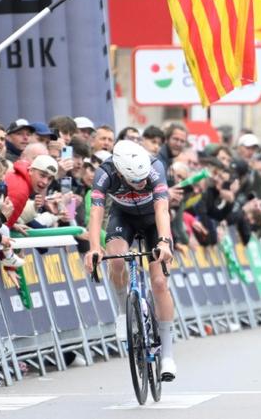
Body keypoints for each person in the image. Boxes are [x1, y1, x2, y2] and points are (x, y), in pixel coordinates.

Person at [83, 140, 176, 381]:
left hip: (153, 221)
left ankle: (167, 354)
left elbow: (162, 210)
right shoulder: (105, 172)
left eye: (144, 179)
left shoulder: (155, 167)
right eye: (136, 181)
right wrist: (94, 247)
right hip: (123, 217)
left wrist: (164, 241)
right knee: (115, 261)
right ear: (121, 174)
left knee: (159, 283)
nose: (142, 183)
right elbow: (96, 212)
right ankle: (123, 314)